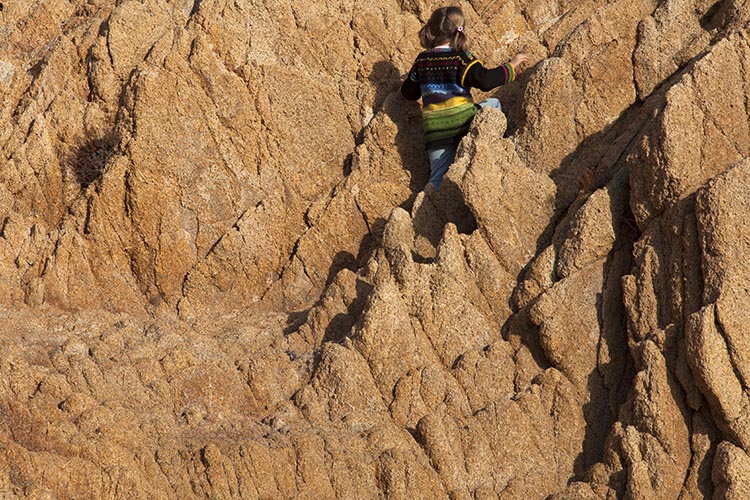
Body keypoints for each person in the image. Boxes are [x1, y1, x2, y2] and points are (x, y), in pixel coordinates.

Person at [401, 6, 529, 189]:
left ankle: (426, 210)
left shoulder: (422, 61)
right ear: (459, 30)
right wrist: (512, 65)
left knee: (437, 179)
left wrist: (410, 78)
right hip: (464, 125)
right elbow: (486, 81)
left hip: (437, 134)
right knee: (493, 104)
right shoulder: (462, 59)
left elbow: (409, 94)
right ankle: (501, 151)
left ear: (432, 30)